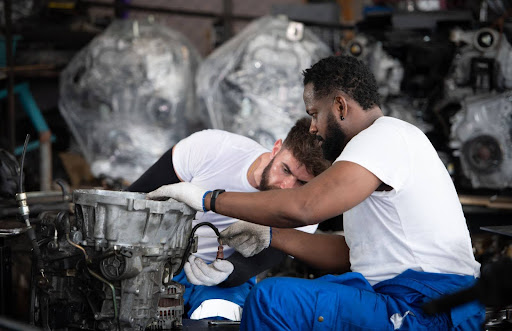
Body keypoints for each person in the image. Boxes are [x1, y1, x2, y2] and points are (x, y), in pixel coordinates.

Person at [146, 55, 485, 330]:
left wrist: (207, 198)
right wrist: (269, 235)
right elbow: (350, 254)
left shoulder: (384, 137)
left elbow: (305, 207)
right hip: (413, 299)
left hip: (430, 308)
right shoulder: (376, 154)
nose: (312, 127)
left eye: (315, 114)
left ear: (340, 107)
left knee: (272, 298)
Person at [128, 117, 330, 321]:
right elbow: (132, 199)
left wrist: (229, 272)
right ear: (276, 148)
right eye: (285, 170)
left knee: (221, 317)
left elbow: (265, 257)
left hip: (219, 280)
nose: (286, 185)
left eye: (301, 182)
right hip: (151, 261)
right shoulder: (213, 148)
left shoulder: (307, 205)